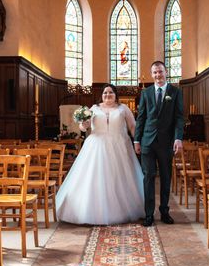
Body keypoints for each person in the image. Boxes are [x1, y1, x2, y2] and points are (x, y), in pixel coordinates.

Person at [56, 84, 145, 225]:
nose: (108, 95)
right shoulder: (94, 109)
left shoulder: (123, 108)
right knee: (95, 177)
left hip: (120, 145)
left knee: (120, 177)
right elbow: (83, 127)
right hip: (96, 145)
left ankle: (121, 210)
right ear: (101, 95)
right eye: (105, 93)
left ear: (116, 94)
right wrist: (83, 124)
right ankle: (89, 211)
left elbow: (133, 126)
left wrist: (138, 142)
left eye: (110, 92)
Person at [134, 61, 184, 227]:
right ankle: (148, 214)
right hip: (147, 142)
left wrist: (178, 138)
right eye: (154, 72)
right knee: (148, 177)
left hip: (166, 142)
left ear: (166, 72)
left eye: (160, 72)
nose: (158, 75)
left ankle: (164, 211)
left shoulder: (175, 92)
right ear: (151, 74)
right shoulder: (146, 92)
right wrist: (137, 139)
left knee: (165, 177)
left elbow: (179, 117)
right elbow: (141, 117)